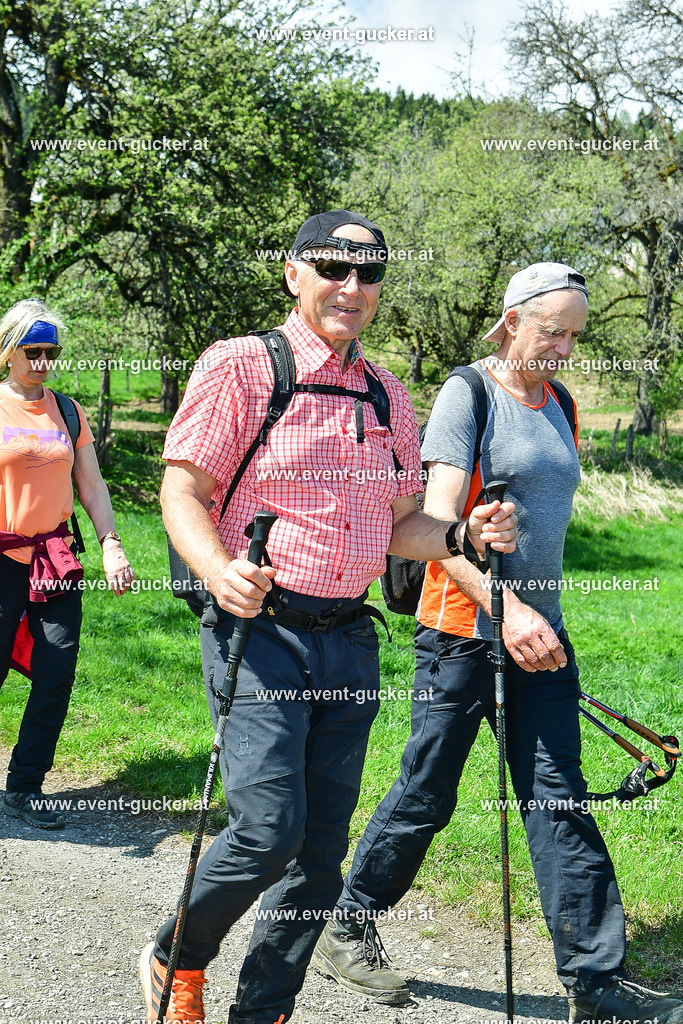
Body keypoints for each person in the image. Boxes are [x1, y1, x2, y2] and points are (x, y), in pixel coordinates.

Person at [139, 209, 517, 1024]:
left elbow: (399, 525)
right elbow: (182, 491)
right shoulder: (242, 366)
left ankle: (263, 1010)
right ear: (293, 273)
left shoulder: (387, 391)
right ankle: (178, 955)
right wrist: (217, 569)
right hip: (260, 630)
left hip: (347, 640)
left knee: (317, 861)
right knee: (268, 831)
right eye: (332, 268)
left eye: (368, 272)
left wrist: (461, 533)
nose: (351, 286)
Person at [313, 262, 683, 1024]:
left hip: (539, 637)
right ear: (511, 320)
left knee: (558, 800)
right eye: (552, 332)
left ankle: (594, 983)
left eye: (576, 335)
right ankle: (346, 921)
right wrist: (504, 608)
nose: (564, 349)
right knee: (427, 791)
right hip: (461, 634)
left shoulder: (562, 403)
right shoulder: (467, 394)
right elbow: (436, 529)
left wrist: (531, 617)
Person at [0, 299, 134, 830]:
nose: (42, 361)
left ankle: (24, 789)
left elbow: (92, 485)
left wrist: (112, 543)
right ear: (9, 351)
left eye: (50, 352)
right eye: (32, 351)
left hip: (54, 560)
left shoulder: (69, 411)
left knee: (56, 672)